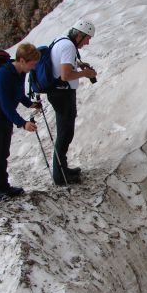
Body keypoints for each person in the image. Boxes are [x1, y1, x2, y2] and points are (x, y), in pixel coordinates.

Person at [0, 43, 41, 203]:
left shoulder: (19, 73)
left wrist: (30, 104)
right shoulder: (4, 74)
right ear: (22, 60)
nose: (33, 67)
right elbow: (5, 103)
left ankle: (2, 186)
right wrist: (22, 123)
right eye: (32, 64)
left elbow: (18, 94)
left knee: (2, 153)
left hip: (2, 119)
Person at [47, 19, 98, 185]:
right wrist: (86, 74)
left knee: (65, 132)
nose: (88, 42)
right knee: (65, 133)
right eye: (87, 38)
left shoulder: (62, 40)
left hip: (58, 93)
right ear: (79, 35)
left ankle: (63, 169)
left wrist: (80, 65)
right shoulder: (69, 46)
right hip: (63, 94)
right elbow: (65, 75)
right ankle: (60, 175)